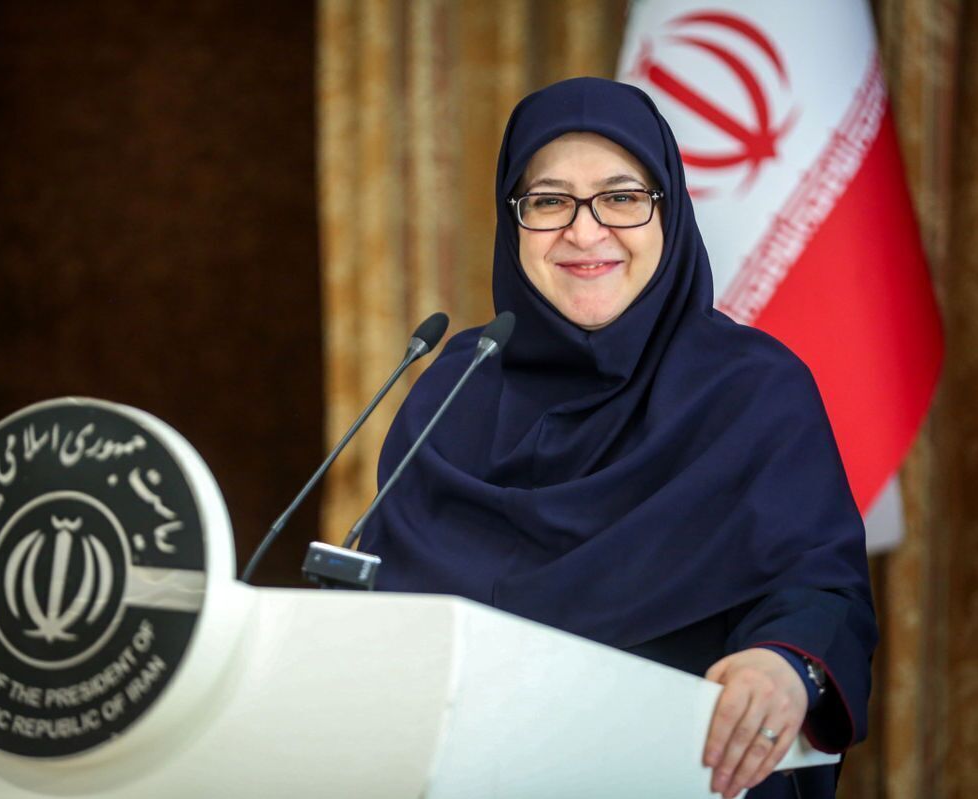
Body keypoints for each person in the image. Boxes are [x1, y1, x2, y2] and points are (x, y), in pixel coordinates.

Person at [361, 77, 876, 799]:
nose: (584, 231)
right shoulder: (455, 387)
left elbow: (817, 583)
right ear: (513, 220)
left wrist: (784, 665)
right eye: (549, 201)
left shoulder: (752, 388)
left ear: (669, 210)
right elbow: (384, 609)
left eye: (622, 197)